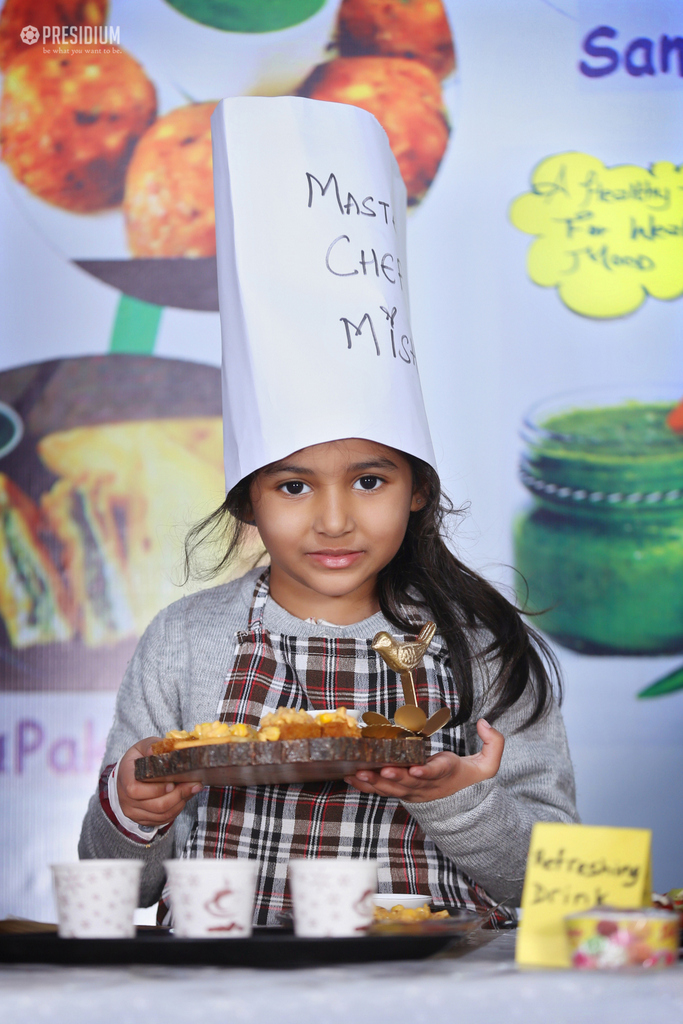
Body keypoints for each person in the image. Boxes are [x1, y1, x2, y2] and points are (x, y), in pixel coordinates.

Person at [79, 96, 578, 925]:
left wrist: (459, 798)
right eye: (293, 485)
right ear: (248, 498)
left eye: (370, 481)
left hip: (443, 998)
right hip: (225, 993)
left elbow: (560, 891)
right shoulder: (187, 643)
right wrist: (135, 810)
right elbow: (111, 893)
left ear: (418, 487)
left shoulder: (482, 645)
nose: (335, 521)